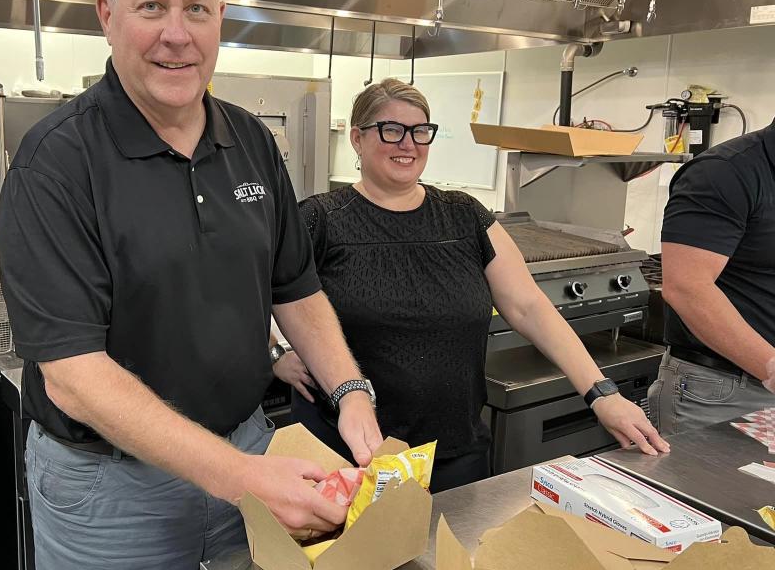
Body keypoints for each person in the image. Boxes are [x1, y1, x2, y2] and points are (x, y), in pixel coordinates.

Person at [0, 0, 381, 570]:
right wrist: (242, 478)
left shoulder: (251, 141)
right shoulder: (56, 162)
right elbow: (74, 375)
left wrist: (351, 394)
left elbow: (293, 287)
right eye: (152, 8)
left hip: (246, 452)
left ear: (220, 20)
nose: (177, 34)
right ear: (108, 16)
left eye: (197, 9)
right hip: (109, 491)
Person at [274, 78, 668, 492]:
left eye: (420, 132)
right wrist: (275, 353)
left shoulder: (464, 216)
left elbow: (528, 307)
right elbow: (256, 294)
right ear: (357, 138)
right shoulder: (321, 219)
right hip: (347, 453)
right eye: (391, 130)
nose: (407, 144)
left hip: (454, 448)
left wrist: (602, 393)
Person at [651, 119, 775, 434]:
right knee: (711, 485)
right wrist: (771, 366)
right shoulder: (725, 172)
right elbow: (686, 289)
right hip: (722, 393)